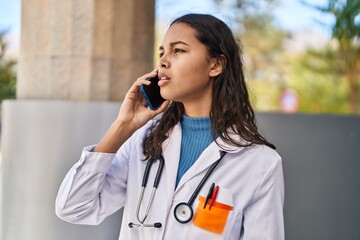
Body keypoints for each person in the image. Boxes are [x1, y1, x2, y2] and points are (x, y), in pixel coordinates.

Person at [55, 13, 285, 240]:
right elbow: (74, 208)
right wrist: (122, 126)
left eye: (178, 50)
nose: (163, 61)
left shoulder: (260, 162)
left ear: (216, 65)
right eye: (162, 52)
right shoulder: (144, 141)